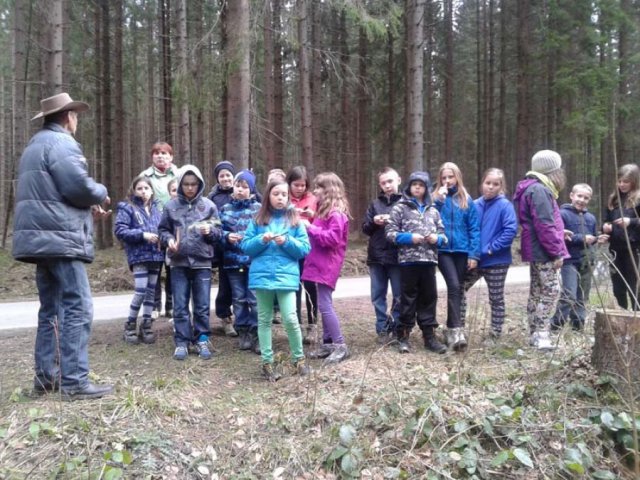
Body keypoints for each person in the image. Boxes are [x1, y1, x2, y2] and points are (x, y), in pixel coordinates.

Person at [12, 92, 113, 400]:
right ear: (69, 117)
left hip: (41, 240)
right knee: (78, 306)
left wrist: (85, 209)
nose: (76, 120)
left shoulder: (35, 145)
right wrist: (100, 192)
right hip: (61, 241)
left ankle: (46, 378)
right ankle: (75, 382)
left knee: (51, 309)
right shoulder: (62, 143)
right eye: (75, 115)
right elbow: (78, 187)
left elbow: (51, 194)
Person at [241, 180, 312, 381]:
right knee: (264, 319)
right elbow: (246, 247)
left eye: (284, 194)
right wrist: (261, 240)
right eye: (276, 194)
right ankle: (267, 362)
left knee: (290, 318)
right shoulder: (258, 220)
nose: (280, 198)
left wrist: (287, 241)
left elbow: (305, 249)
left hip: (286, 278)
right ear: (268, 196)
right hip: (262, 278)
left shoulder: (295, 220)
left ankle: (299, 359)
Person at [159, 165, 222, 361]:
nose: (189, 188)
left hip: (202, 262)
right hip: (178, 262)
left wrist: (210, 232)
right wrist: (169, 240)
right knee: (180, 305)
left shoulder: (209, 206)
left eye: (193, 184)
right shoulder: (170, 206)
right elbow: (163, 230)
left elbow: (219, 232)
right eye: (185, 184)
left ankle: (202, 339)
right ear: (180, 184)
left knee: (202, 305)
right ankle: (182, 341)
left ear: (200, 184)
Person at [386, 171, 448, 354]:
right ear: (409, 187)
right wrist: (408, 237)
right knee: (407, 300)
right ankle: (403, 336)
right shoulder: (400, 208)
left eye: (421, 185)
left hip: (429, 262)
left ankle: (429, 337)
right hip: (408, 262)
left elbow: (444, 236)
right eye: (414, 184)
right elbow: (389, 233)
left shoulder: (433, 210)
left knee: (429, 299)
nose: (417, 188)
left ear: (426, 189)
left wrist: (437, 239)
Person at [513, 149, 569, 351]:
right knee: (552, 290)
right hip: (543, 250)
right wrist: (557, 252)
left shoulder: (532, 187)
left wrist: (561, 232)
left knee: (537, 291)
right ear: (552, 170)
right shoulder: (540, 190)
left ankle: (534, 333)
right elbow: (544, 224)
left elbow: (541, 222)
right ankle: (541, 333)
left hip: (536, 247)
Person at [461, 168, 517, 340]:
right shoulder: (474, 204)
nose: (491, 187)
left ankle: (495, 333)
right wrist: (470, 252)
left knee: (496, 297)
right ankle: (458, 329)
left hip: (496, 260)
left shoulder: (505, 205)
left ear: (501, 186)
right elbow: (467, 228)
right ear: (482, 183)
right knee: (458, 289)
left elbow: (510, 230)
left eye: (495, 184)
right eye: (488, 183)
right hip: (474, 259)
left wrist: (492, 248)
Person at [301, 172, 351, 364]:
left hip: (328, 265)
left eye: (319, 188)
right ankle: (328, 343)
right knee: (323, 304)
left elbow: (332, 238)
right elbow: (325, 228)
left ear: (329, 190)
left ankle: (340, 344)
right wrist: (313, 218)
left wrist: (310, 227)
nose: (315, 191)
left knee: (324, 304)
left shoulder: (336, 213)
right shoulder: (326, 211)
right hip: (320, 263)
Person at [432, 162, 480, 351]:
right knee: (453, 285)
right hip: (443, 250)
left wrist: (474, 254)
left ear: (457, 177)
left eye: (450, 177)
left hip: (462, 250)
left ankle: (454, 329)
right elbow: (429, 218)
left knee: (458, 288)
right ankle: (454, 329)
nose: (447, 180)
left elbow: (474, 228)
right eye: (444, 177)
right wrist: (438, 200)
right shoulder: (436, 198)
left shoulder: (466, 200)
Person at [114, 175, 165, 344]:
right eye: (140, 188)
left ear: (152, 190)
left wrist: (163, 239)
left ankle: (146, 325)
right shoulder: (128, 208)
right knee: (141, 291)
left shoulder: (157, 210)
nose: (143, 191)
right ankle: (130, 325)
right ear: (134, 190)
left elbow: (163, 229)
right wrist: (143, 235)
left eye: (146, 188)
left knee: (151, 292)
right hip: (138, 256)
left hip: (156, 256)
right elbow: (120, 231)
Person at [220, 170, 261, 353]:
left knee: (255, 299)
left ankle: (257, 332)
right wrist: (226, 236)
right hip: (232, 262)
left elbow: (264, 233)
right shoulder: (225, 209)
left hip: (254, 262)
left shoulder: (259, 209)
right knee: (238, 299)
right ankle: (243, 330)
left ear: (251, 190)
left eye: (245, 187)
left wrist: (252, 240)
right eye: (238, 186)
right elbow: (217, 232)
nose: (240, 190)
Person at [362, 167, 403, 344]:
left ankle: (397, 327)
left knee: (399, 294)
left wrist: (392, 221)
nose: (387, 185)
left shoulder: (405, 203)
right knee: (378, 295)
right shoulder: (374, 204)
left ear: (398, 180)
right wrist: (374, 221)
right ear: (380, 185)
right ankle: (382, 328)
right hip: (376, 255)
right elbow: (365, 228)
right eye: (383, 182)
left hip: (398, 255)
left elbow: (411, 226)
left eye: (390, 181)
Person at [551, 183, 599, 330]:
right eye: (579, 196)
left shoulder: (591, 218)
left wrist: (597, 239)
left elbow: (593, 236)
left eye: (586, 198)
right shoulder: (562, 214)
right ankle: (556, 324)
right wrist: (581, 238)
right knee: (569, 293)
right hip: (569, 260)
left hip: (586, 260)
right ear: (572, 196)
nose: (582, 200)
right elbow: (559, 236)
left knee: (582, 295)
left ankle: (578, 325)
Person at [141, 142, 180, 320]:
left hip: (174, 228)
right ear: (152, 157)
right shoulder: (145, 176)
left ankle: (170, 305)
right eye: (157, 153)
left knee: (173, 267)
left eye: (164, 153)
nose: (160, 156)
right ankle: (154, 305)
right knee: (154, 268)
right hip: (153, 229)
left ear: (171, 156)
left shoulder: (179, 174)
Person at [286, 166, 318, 343]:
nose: (299, 188)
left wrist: (312, 215)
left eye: (303, 185)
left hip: (310, 249)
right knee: (294, 287)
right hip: (291, 249)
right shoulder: (283, 197)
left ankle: (313, 325)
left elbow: (320, 221)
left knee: (311, 287)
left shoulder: (313, 199)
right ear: (289, 183)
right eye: (296, 185)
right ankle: (295, 325)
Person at [602, 164, 640, 310]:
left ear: (634, 182)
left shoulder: (638, 199)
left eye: (626, 181)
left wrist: (631, 221)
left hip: (634, 249)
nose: (622, 184)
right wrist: (605, 227)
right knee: (618, 286)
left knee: (635, 285)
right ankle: (621, 314)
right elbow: (606, 220)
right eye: (620, 181)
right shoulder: (614, 199)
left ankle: (637, 315)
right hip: (615, 250)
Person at [207, 160, 238, 337]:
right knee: (225, 285)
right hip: (222, 247)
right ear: (217, 178)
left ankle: (243, 318)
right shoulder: (213, 197)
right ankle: (225, 317)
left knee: (241, 287)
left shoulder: (242, 190)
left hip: (241, 248)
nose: (226, 178)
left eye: (228, 175)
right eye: (222, 176)